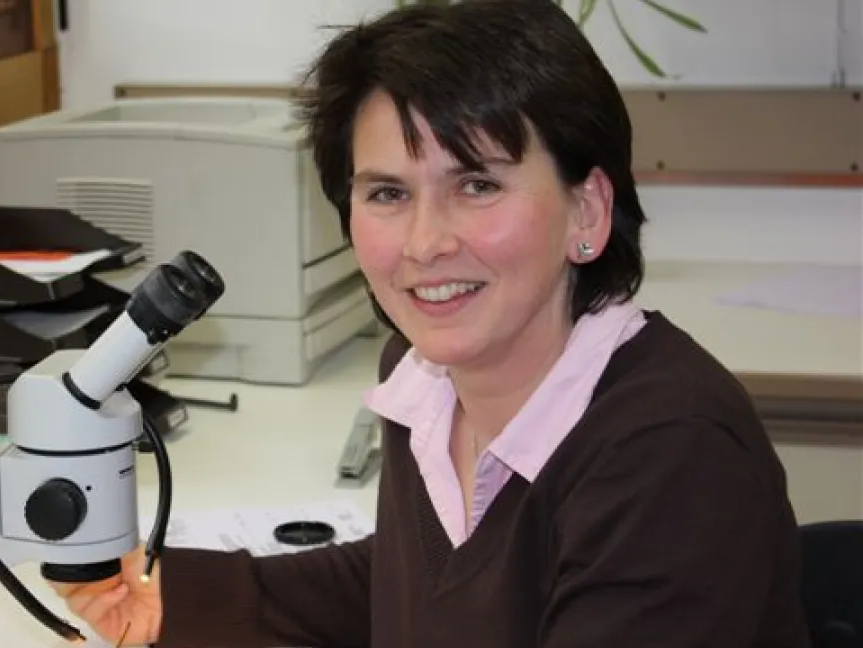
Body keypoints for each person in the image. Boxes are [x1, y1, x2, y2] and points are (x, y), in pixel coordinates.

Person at [51, 1, 812, 646]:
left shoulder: (670, 457)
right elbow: (420, 584)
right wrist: (178, 600)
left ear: (587, 210)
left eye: (477, 183)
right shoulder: (424, 378)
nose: (423, 243)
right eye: (387, 193)